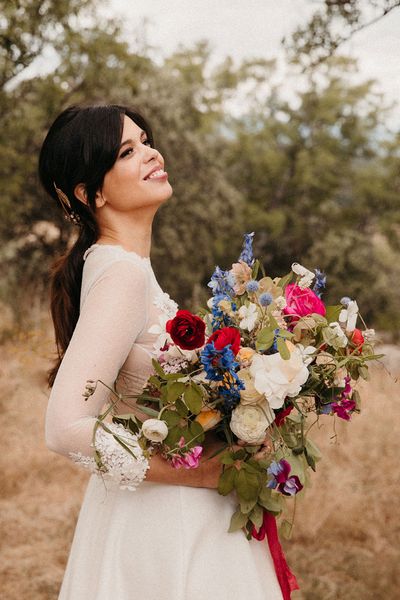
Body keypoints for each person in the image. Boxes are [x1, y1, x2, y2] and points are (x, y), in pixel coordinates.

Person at [39, 104, 283, 599]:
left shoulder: (123, 266)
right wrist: (195, 472)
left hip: (164, 511)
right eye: (127, 151)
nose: (151, 154)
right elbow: (64, 427)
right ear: (92, 194)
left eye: (145, 140)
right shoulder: (122, 275)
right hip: (164, 522)